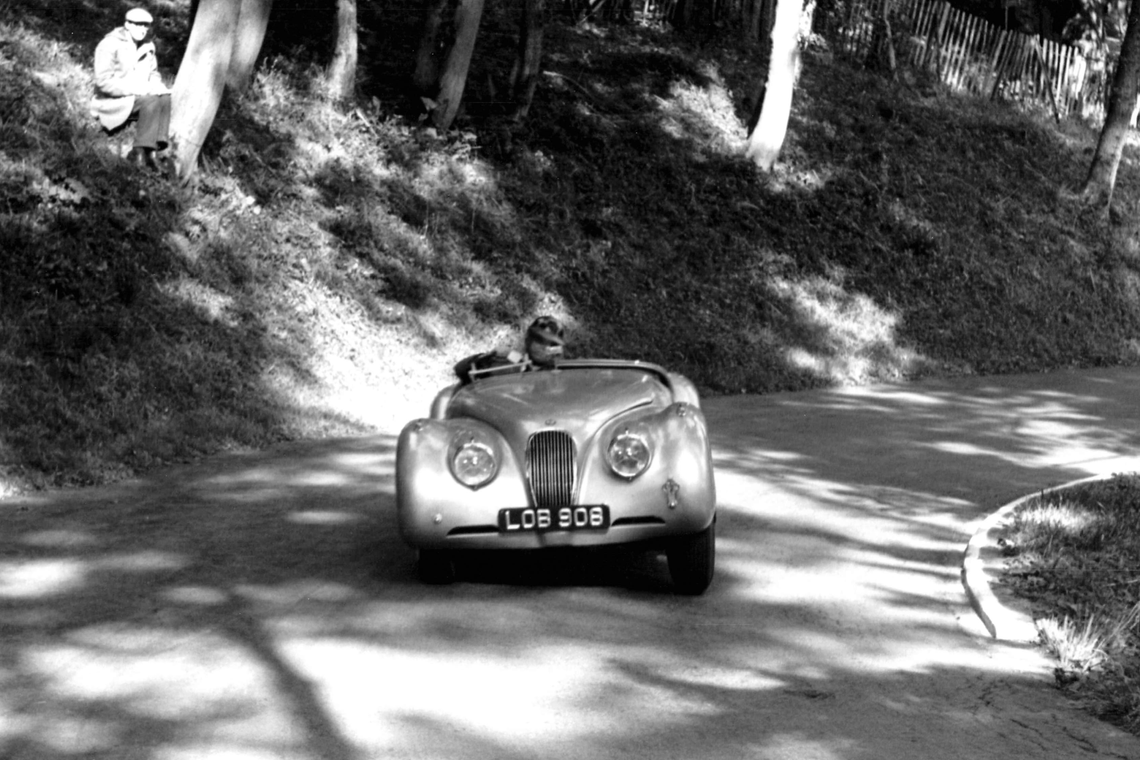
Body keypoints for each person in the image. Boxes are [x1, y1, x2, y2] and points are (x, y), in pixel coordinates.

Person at [90, 7, 171, 171]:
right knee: (151, 102)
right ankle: (138, 152)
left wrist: (156, 86)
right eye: (138, 25)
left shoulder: (148, 46)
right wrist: (135, 89)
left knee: (164, 98)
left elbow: (154, 73)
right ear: (127, 24)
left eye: (146, 26)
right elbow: (103, 81)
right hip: (112, 100)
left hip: (137, 95)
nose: (143, 30)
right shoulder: (109, 44)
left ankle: (153, 152)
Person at [454, 316, 566, 384]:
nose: (543, 346)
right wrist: (491, 356)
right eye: (538, 340)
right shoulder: (511, 364)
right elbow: (461, 369)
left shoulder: (565, 374)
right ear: (528, 340)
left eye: (550, 343)